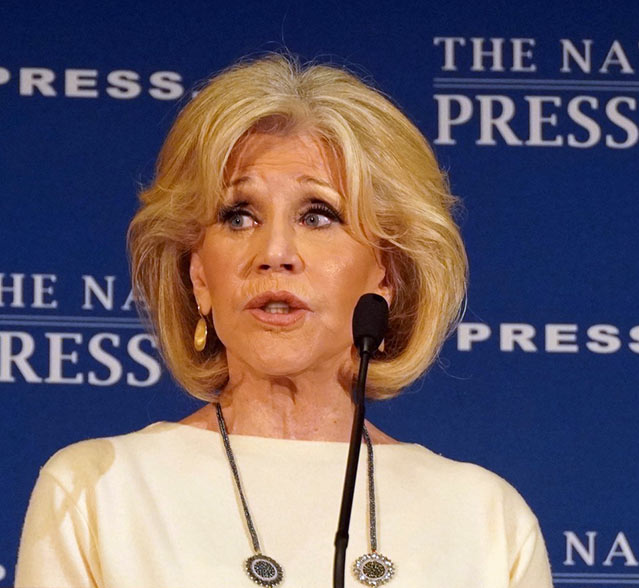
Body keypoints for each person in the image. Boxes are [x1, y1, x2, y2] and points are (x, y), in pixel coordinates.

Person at [15, 54, 553, 588]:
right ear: (199, 274)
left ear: (387, 273)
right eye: (239, 216)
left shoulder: (483, 520)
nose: (274, 252)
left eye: (318, 215)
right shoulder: (97, 491)